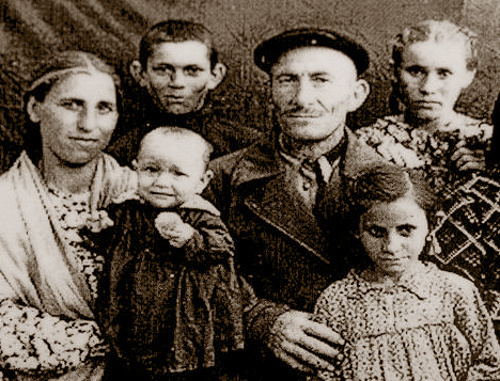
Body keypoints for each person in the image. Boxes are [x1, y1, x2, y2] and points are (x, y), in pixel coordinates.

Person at [206, 28, 383, 380]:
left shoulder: (393, 182)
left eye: (321, 80)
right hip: (255, 368)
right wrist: (259, 318)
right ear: (269, 91)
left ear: (356, 95)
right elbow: (191, 274)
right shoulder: (220, 179)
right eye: (287, 80)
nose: (302, 98)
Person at [0, 51, 137, 380]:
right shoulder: (5, 202)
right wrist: (102, 339)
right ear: (36, 109)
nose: (88, 125)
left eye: (104, 108)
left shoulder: (141, 195)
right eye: (71, 104)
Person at [311, 165, 500, 380]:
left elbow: (489, 364)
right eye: (377, 232)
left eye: (406, 230)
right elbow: (323, 374)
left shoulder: (455, 291)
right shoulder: (337, 301)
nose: (391, 246)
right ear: (357, 230)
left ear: (432, 225)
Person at [90, 127, 245, 380]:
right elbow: (114, 243)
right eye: (151, 170)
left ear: (202, 181)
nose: (162, 182)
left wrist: (191, 238)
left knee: (181, 366)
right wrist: (99, 229)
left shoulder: (201, 215)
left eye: (178, 173)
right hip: (134, 310)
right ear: (136, 168)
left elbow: (222, 248)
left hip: (181, 315)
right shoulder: (129, 209)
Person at [355, 20, 493, 190]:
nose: (428, 87)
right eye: (415, 71)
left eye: (444, 73)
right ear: (395, 72)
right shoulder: (367, 141)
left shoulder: (488, 142)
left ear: (468, 75)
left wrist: (494, 169)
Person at [107, 19, 259, 165]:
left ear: (215, 75)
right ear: (140, 73)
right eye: (163, 70)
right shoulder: (119, 150)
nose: (177, 83)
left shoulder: (246, 148)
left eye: (192, 71)